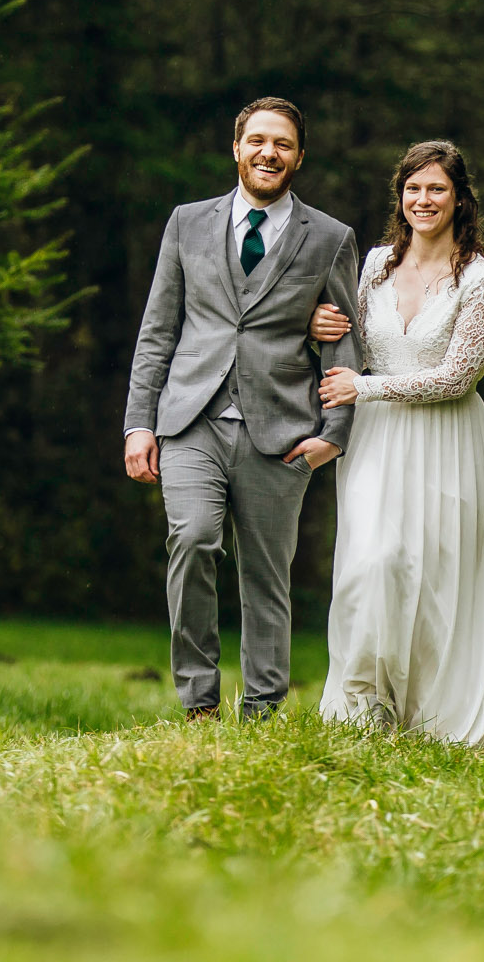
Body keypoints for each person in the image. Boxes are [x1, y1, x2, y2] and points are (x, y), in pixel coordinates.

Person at [123, 98, 362, 720]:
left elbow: (341, 338)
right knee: (194, 539)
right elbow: (158, 329)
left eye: (282, 144)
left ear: (299, 157)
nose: (268, 153)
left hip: (282, 430)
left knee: (266, 576)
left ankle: (262, 709)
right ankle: (198, 702)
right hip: (190, 419)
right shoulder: (187, 223)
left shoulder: (330, 238)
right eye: (257, 141)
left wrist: (333, 432)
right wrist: (139, 424)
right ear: (236, 148)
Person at [307, 139, 484, 745]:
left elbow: (458, 376)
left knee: (434, 577)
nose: (424, 200)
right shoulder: (373, 265)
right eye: (414, 188)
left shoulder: (482, 281)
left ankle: (431, 718)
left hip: (446, 439)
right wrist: (319, 324)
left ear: (459, 199)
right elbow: (346, 343)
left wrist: (363, 390)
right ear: (401, 196)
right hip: (376, 441)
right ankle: (361, 708)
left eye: (437, 189)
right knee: (371, 564)